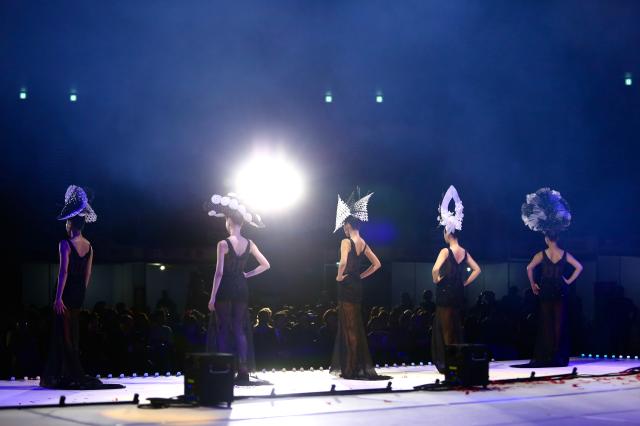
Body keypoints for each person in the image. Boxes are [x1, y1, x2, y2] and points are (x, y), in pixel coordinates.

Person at [40, 186, 118, 389]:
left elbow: (63, 272)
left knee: (63, 333)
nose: (66, 224)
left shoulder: (65, 244)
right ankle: (68, 372)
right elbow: (88, 273)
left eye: (67, 221)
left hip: (66, 292)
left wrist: (58, 298)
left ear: (71, 223)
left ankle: (68, 373)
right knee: (72, 332)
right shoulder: (89, 245)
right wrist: (81, 291)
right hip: (79, 292)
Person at [205, 193, 270, 384]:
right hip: (241, 288)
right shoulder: (249, 243)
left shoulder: (223, 244)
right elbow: (266, 264)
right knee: (239, 329)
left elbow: (219, 273)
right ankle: (243, 368)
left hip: (226, 287)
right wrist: (247, 275)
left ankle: (225, 367)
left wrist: (212, 297)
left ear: (230, 221)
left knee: (224, 328)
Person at [519, 188, 583, 367]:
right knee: (559, 322)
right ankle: (557, 354)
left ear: (547, 238)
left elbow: (529, 268)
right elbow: (580, 267)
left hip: (546, 288)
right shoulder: (564, 253)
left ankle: (546, 354)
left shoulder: (542, 254)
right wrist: (568, 281)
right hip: (560, 288)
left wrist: (533, 285)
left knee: (546, 322)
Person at [331, 189, 389, 380]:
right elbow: (377, 264)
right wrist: (361, 276)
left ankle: (351, 367)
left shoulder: (345, 241)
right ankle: (353, 365)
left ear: (348, 224)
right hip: (357, 286)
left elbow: (344, 262)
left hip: (347, 285)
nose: (343, 229)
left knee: (349, 327)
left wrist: (340, 275)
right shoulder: (363, 242)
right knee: (354, 325)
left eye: (344, 226)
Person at [431, 186, 481, 374]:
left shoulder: (445, 251)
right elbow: (477, 270)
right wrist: (465, 283)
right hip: (458, 293)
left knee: (446, 329)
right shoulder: (464, 252)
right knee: (456, 327)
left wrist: (437, 280)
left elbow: (435, 269)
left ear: (448, 233)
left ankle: (447, 363)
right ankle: (456, 361)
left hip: (445, 293)